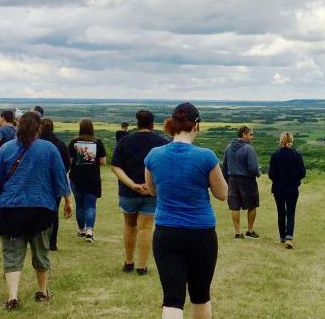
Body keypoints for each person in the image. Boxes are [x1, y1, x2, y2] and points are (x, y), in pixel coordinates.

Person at [0, 110, 73, 310]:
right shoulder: (49, 149)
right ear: (38, 128)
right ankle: (42, 292)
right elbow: (60, 177)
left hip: (11, 209)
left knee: (12, 254)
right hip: (42, 208)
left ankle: (12, 297)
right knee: (41, 252)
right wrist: (67, 200)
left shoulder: (6, 149)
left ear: (18, 127)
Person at [144, 102, 228, 319]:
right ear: (196, 126)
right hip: (201, 234)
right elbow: (222, 194)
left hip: (166, 233)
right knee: (200, 295)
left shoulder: (153, 155)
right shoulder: (206, 156)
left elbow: (152, 191)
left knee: (172, 299)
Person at [110, 108, 167, 275]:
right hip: (152, 192)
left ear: (137, 123)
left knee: (129, 225)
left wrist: (133, 185)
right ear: (152, 124)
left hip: (128, 192)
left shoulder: (125, 141)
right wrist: (150, 186)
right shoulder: (162, 143)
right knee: (146, 228)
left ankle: (128, 262)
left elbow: (115, 166)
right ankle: (142, 266)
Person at [67, 118, 107, 242]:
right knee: (90, 206)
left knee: (79, 205)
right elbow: (103, 161)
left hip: (76, 178)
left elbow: (70, 161)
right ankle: (90, 230)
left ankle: (81, 230)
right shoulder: (98, 142)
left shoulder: (73, 142)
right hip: (92, 178)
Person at [267, 132, 306, 249]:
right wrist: (296, 180)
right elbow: (303, 173)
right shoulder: (297, 155)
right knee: (291, 212)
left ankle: (282, 236)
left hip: (278, 188)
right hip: (292, 188)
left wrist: (277, 180)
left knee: (281, 212)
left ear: (280, 140)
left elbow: (271, 174)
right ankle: (289, 237)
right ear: (291, 140)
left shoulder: (275, 155)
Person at [39, 118, 72, 251]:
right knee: (53, 212)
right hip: (56, 183)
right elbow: (67, 164)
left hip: (40, 181)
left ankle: (40, 241)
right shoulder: (60, 144)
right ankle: (52, 243)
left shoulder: (36, 144)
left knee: (39, 211)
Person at [223, 126, 260, 239]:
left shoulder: (229, 147)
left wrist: (227, 180)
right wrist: (257, 174)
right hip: (246, 180)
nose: (252, 137)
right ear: (243, 134)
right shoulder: (248, 148)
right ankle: (250, 230)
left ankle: (238, 232)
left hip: (232, 180)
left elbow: (225, 167)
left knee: (235, 207)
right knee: (252, 205)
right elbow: (253, 167)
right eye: (251, 134)